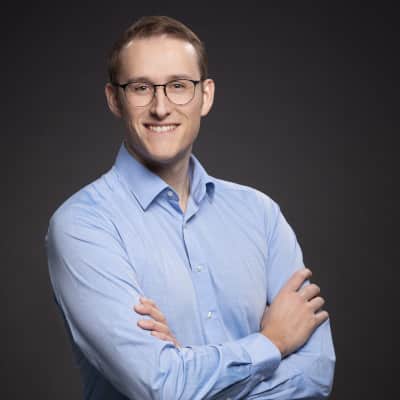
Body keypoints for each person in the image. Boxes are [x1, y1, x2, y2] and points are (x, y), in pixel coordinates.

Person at [46, 15, 335, 399]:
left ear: (206, 95)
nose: (161, 107)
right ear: (115, 99)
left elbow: (315, 373)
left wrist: (188, 367)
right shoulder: (82, 225)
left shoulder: (260, 214)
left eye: (179, 86)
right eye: (141, 88)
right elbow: (161, 386)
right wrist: (272, 342)